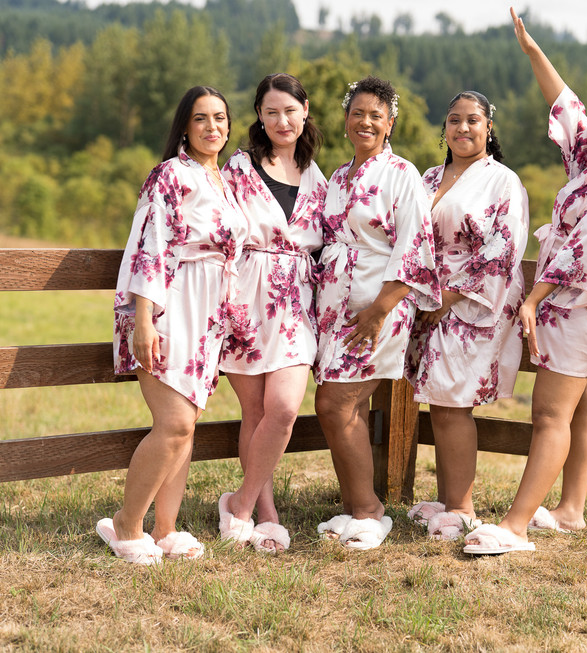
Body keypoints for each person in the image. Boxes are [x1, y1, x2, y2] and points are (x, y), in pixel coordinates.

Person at [463, 9, 587, 555]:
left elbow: (585, 248)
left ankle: (517, 525)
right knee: (585, 403)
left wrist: (533, 297)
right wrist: (532, 50)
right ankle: (571, 509)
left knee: (551, 412)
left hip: (584, 300)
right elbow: (566, 105)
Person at [96, 86, 247, 565]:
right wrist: (144, 321)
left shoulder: (225, 181)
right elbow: (150, 247)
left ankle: (166, 528)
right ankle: (127, 522)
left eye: (220, 118)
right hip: (169, 305)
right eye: (200, 119)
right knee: (175, 423)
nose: (212, 127)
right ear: (185, 126)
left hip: (208, 315)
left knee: (188, 426)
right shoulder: (169, 175)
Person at [314, 75, 441, 550]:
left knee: (334, 403)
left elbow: (414, 247)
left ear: (390, 124)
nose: (365, 121)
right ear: (346, 119)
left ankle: (369, 508)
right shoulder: (338, 177)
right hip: (336, 306)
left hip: (379, 305)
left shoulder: (402, 174)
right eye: (357, 113)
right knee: (349, 406)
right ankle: (355, 508)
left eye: (376, 115)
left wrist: (379, 310)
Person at [404, 91, 530, 541]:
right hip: (428, 294)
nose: (462, 128)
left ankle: (462, 508)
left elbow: (505, 251)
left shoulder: (504, 182)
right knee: (439, 401)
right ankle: (447, 499)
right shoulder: (429, 176)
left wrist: (451, 296)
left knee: (454, 402)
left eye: (472, 120)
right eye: (453, 120)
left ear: (488, 128)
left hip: (472, 300)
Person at [217, 73, 328, 554]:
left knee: (283, 410)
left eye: (290, 110)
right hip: (245, 295)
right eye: (271, 112)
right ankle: (266, 515)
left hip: (297, 299)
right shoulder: (238, 168)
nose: (282, 120)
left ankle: (237, 504)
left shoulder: (319, 177)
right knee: (255, 412)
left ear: (305, 112)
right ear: (259, 118)